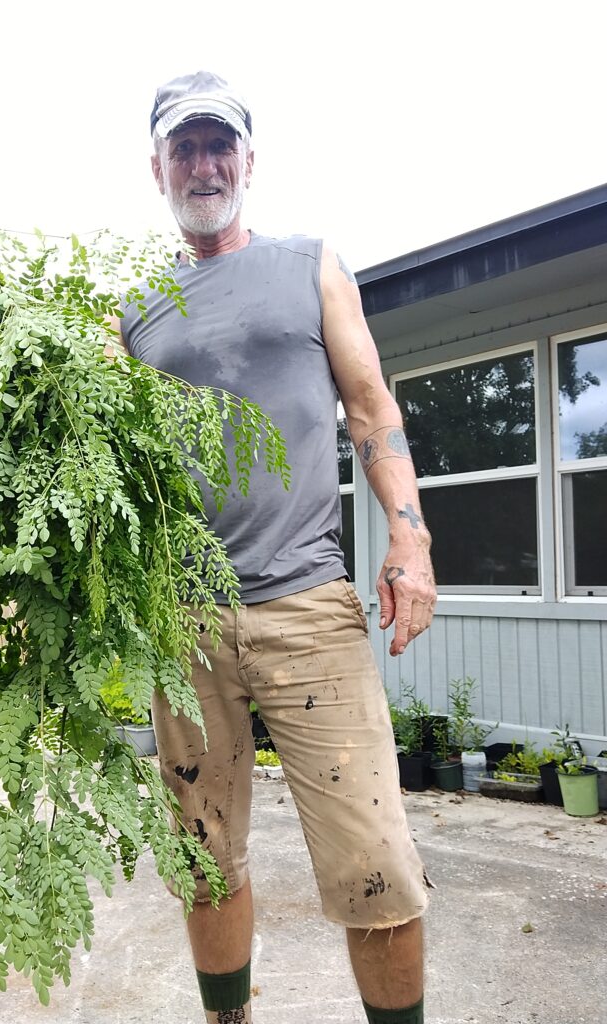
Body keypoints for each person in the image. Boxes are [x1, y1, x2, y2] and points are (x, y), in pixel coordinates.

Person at [116, 71, 437, 1024]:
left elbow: (371, 408)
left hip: (307, 607)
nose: (204, 165)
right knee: (204, 859)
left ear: (249, 161)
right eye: (184, 148)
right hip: (182, 621)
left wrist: (409, 537)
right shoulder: (130, 308)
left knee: (375, 864)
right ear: (157, 169)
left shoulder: (310, 265)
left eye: (220, 145)